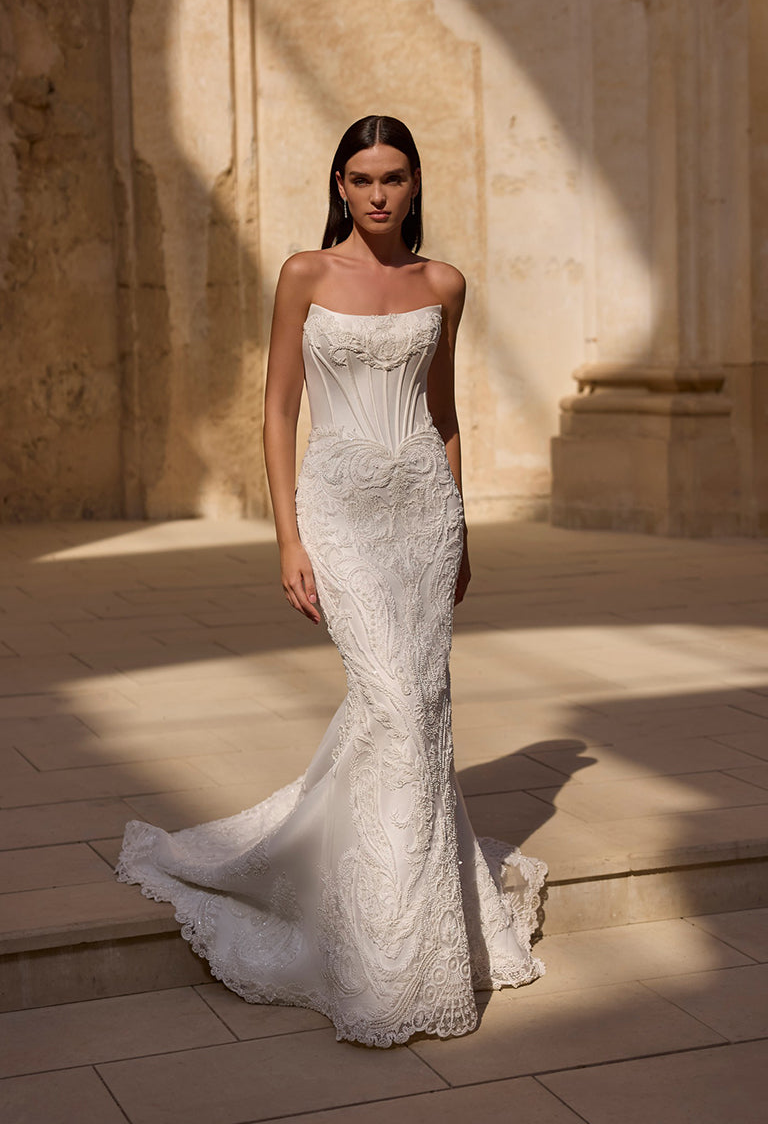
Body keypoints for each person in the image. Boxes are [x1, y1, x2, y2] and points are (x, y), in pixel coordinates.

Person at [116, 115, 547, 1047]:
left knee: (418, 713)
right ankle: (373, 955)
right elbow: (276, 410)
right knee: (393, 705)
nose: (380, 193)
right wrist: (288, 538)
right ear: (340, 186)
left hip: (424, 518)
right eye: (362, 178)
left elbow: (444, 413)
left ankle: (413, 934)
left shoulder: (444, 284)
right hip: (341, 512)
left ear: (416, 184)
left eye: (395, 177)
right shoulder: (304, 275)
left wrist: (460, 523)